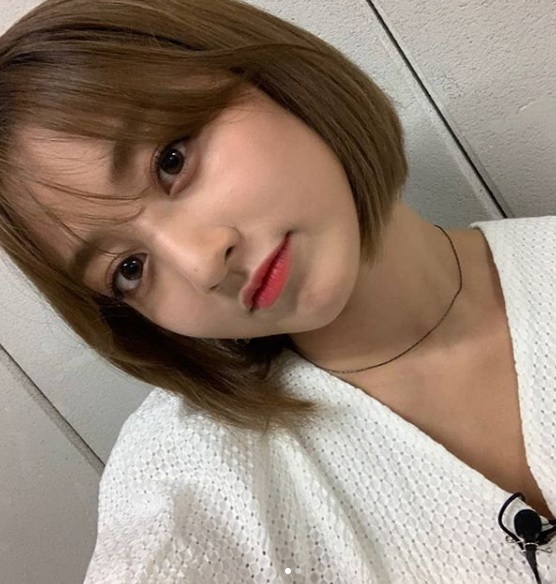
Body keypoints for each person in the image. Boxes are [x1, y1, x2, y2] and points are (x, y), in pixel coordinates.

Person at [1, 0, 555, 582]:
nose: (200, 263)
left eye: (171, 161)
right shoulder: (193, 475)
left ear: (272, 79)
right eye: (130, 269)